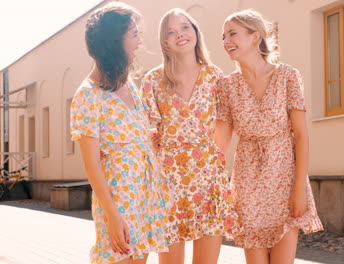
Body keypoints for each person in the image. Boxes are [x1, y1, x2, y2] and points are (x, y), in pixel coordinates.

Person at [216, 9, 324, 264]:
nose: (226, 42)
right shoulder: (226, 85)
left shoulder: (288, 75)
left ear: (255, 37)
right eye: (223, 36)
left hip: (284, 175)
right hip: (247, 180)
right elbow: (221, 140)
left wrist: (299, 188)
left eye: (232, 34)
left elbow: (301, 135)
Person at [70, 3, 168, 263]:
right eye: (134, 35)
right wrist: (113, 215)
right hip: (119, 198)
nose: (139, 43)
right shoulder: (88, 95)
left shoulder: (128, 84)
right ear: (114, 42)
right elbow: (91, 164)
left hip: (145, 194)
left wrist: (149, 137)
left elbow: (126, 133)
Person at [140, 8, 240, 264]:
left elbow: (225, 125)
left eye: (185, 27)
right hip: (168, 181)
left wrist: (216, 161)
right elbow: (146, 132)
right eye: (171, 31)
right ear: (164, 41)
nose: (179, 35)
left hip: (208, 177)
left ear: (195, 31)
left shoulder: (215, 76)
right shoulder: (153, 80)